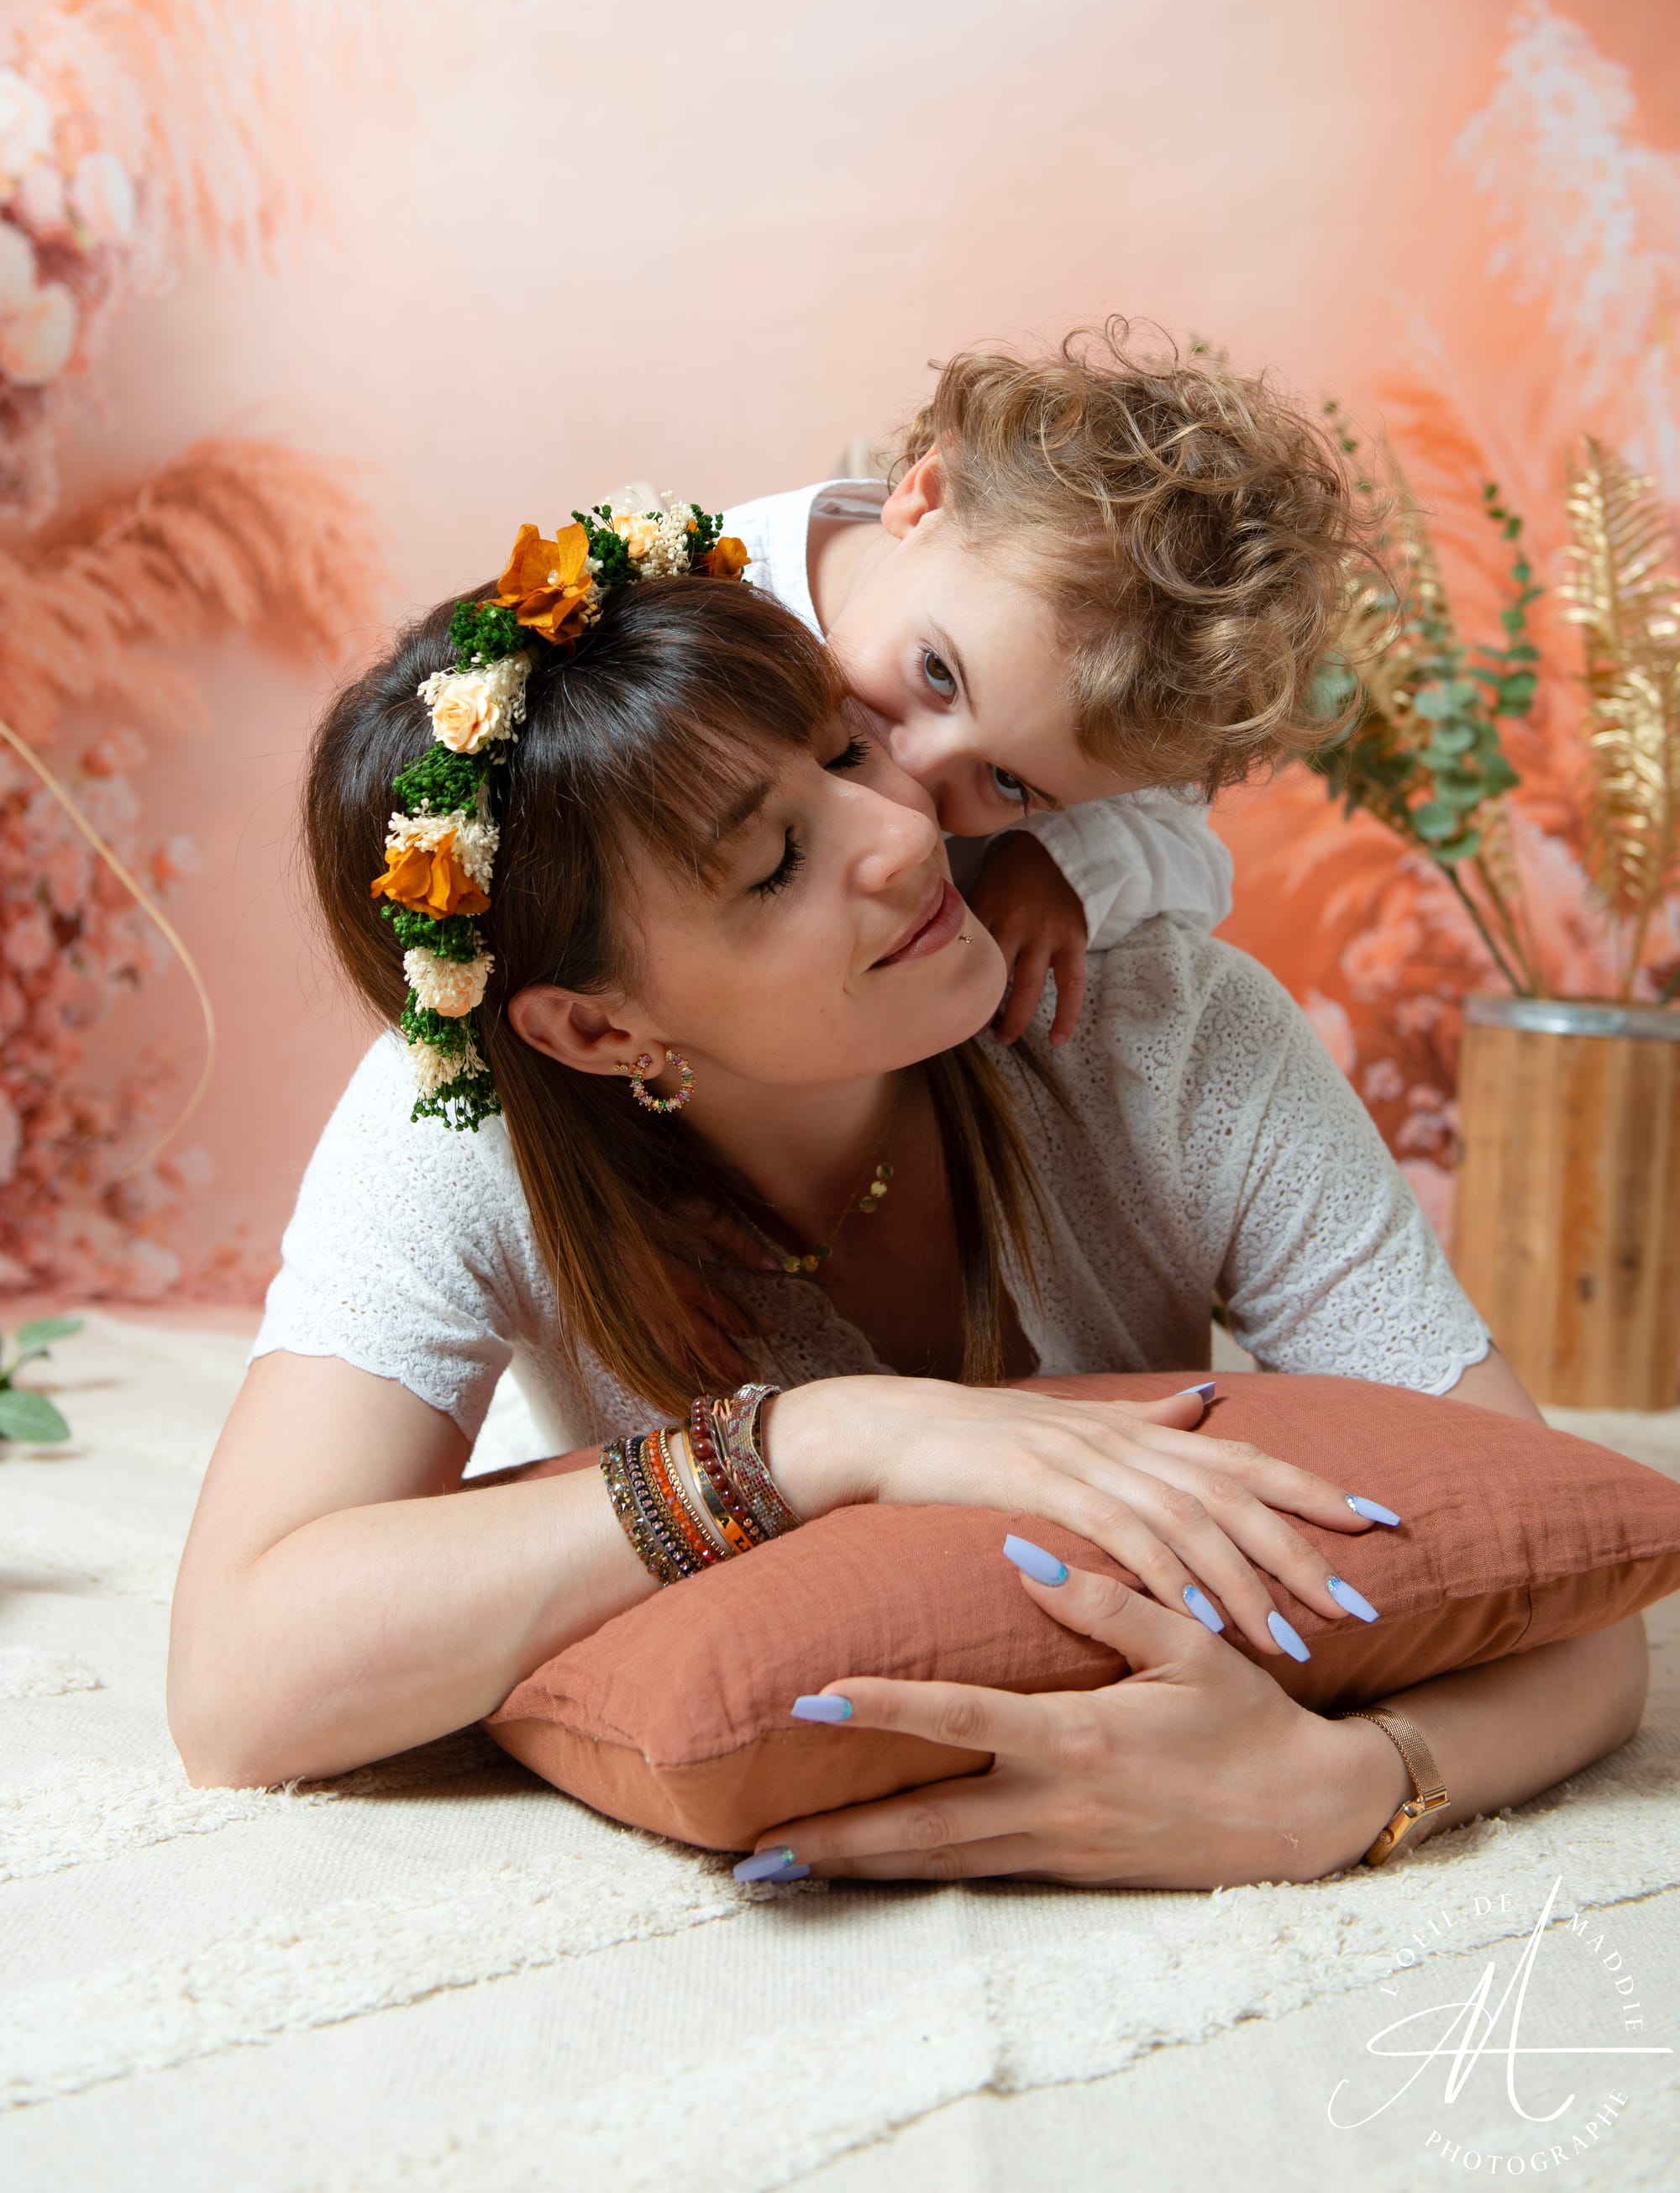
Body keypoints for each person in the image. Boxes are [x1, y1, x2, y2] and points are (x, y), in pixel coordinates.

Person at [167, 525, 1647, 1892]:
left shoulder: (1169, 1031)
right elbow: (241, 1684)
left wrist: (1362, 1783)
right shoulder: (460, 1127)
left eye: (843, 745)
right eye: (771, 864)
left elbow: (1572, 1585)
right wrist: (817, 1440)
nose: (898, 832)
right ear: (602, 1030)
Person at [725, 323, 1353, 1043]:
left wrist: (1062, 865)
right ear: (924, 499)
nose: (916, 770)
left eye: (1005, 780)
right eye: (938, 672)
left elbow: (1192, 857)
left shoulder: (1056, 700)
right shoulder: (715, 604)